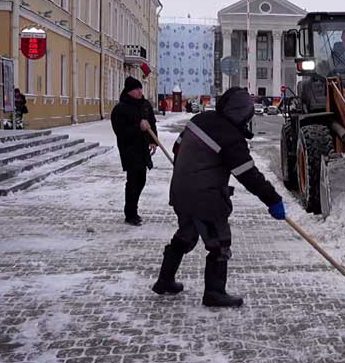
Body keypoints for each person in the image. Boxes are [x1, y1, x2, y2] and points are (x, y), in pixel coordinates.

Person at [151, 87, 285, 308]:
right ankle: (214, 293)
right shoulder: (230, 137)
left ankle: (164, 280)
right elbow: (248, 174)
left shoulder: (200, 119)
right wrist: (273, 200)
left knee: (186, 235)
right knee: (219, 243)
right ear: (241, 114)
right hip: (207, 197)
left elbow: (177, 147)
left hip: (180, 190)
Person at [111, 77, 157, 226]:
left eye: (140, 88)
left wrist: (153, 141)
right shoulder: (121, 109)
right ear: (129, 91)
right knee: (133, 181)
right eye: (136, 89)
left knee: (141, 180)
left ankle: (133, 210)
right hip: (129, 149)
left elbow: (152, 123)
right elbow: (121, 131)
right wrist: (139, 127)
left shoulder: (145, 105)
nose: (139, 91)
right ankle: (130, 214)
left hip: (143, 148)